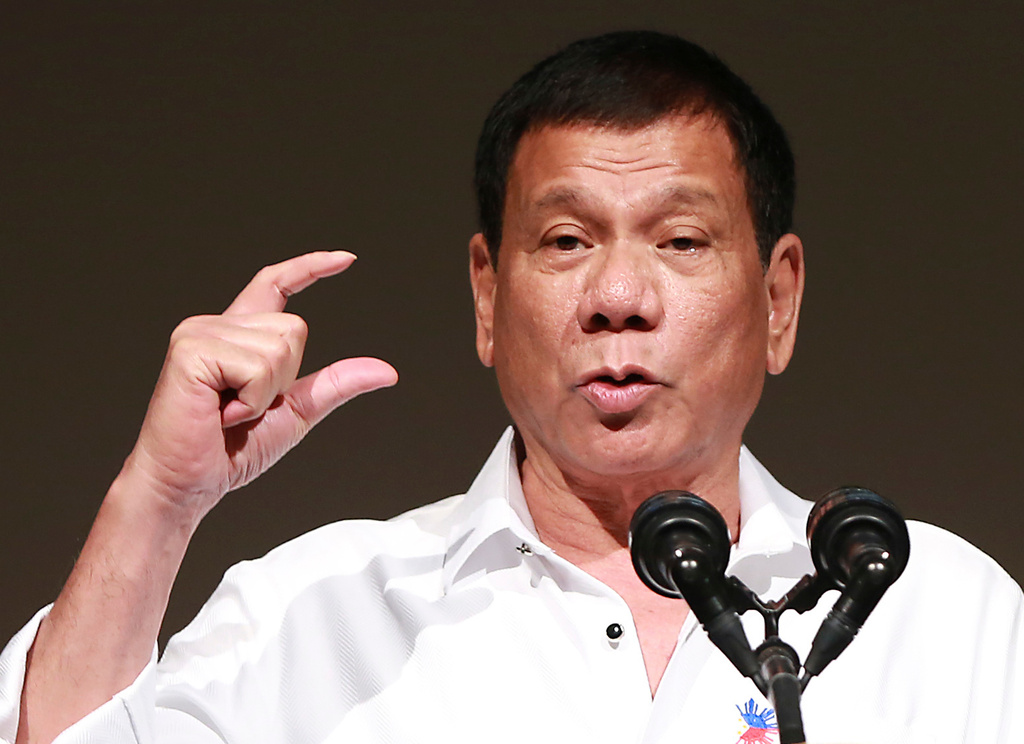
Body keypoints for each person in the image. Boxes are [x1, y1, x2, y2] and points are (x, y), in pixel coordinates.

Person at [1, 30, 1021, 744]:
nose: (618, 296)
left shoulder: (938, 615)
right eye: (567, 241)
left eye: (679, 240)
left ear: (778, 299)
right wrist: (160, 499)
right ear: (487, 296)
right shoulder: (313, 614)